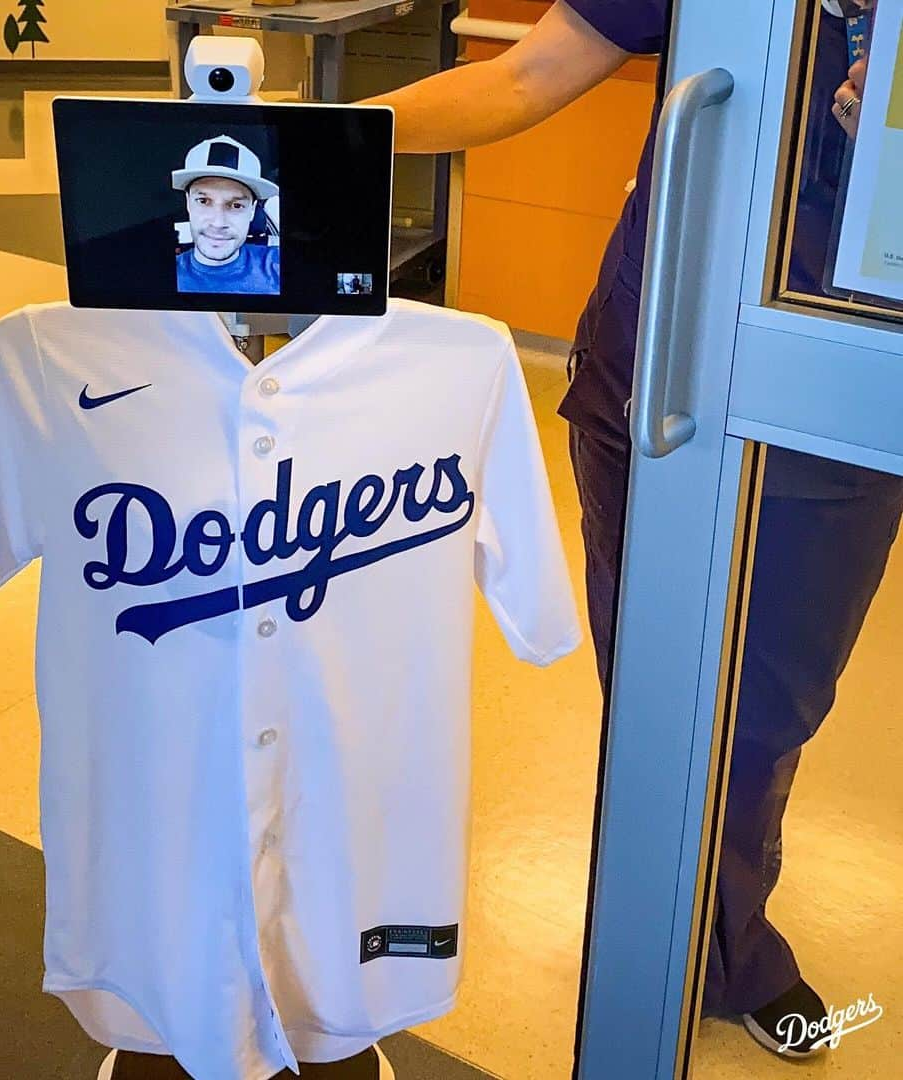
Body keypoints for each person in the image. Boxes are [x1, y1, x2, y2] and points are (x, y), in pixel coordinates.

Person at [366, 0, 903, 1059]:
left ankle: (729, 946)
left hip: (828, 402)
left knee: (762, 716)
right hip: (650, 380)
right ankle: (656, 943)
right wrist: (317, 140)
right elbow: (528, 76)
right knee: (654, 704)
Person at [172, 135, 281, 295]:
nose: (218, 223)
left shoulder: (276, 265)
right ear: (188, 202)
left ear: (252, 210)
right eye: (203, 201)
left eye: (236, 205)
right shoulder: (153, 278)